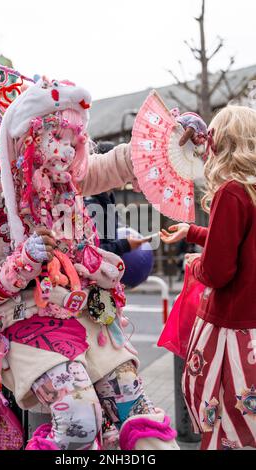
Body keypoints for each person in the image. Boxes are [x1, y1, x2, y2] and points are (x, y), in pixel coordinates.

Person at [0, 61, 201, 451]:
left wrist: (171, 140)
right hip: (28, 330)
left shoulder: (65, 178)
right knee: (78, 423)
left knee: (139, 415)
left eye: (74, 140)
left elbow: (119, 163)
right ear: (25, 137)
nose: (68, 151)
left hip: (91, 319)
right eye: (57, 136)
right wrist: (24, 262)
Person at [160, 105, 256, 450]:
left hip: (232, 332)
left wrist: (194, 265)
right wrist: (195, 232)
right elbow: (246, 245)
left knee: (223, 429)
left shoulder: (231, 191)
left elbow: (218, 272)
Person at [85, 141, 147, 257]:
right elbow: (90, 252)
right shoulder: (91, 205)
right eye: (119, 165)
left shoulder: (107, 201)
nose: (124, 173)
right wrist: (124, 245)